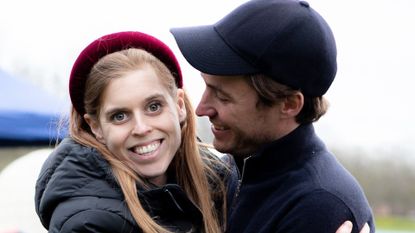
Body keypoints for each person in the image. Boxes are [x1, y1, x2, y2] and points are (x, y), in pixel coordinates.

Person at [170, 0, 375, 232]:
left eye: (223, 97)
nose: (201, 109)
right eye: (207, 87)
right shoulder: (238, 168)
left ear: (288, 104)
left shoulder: (316, 208)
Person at [34, 31, 239, 233]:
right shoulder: (88, 224)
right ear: (96, 127)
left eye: (153, 107)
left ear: (179, 105)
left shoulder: (222, 182)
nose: (141, 128)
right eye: (120, 116)